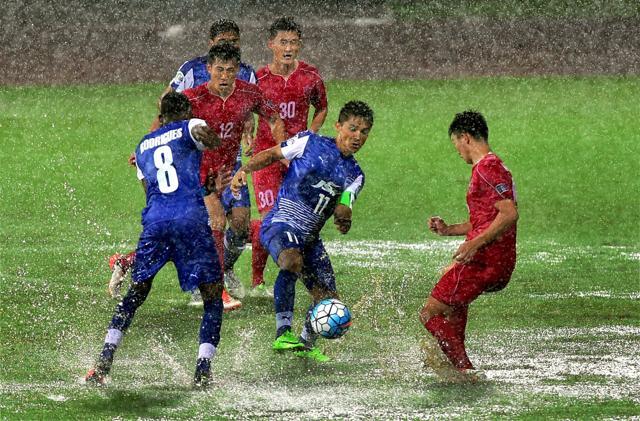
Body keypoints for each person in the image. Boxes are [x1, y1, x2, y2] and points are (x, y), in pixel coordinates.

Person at [108, 19, 256, 310]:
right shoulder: (192, 70)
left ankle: (219, 268)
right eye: (222, 40)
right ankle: (213, 286)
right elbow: (167, 105)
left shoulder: (246, 74)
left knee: (239, 224)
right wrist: (150, 143)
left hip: (231, 161)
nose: (228, 45)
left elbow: (250, 107)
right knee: (209, 223)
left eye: (234, 40)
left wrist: (250, 127)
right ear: (211, 45)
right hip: (197, 160)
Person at [85, 92, 224, 387]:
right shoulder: (189, 125)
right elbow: (205, 134)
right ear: (185, 112)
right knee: (212, 295)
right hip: (191, 221)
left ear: (160, 117)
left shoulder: (142, 146)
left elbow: (153, 192)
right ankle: (202, 370)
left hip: (157, 220)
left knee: (136, 294)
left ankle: (103, 363)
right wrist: (214, 144)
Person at [231, 101, 374, 362]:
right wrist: (244, 170)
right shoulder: (309, 142)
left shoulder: (355, 174)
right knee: (291, 261)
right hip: (281, 222)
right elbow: (273, 154)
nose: (358, 137)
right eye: (353, 129)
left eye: (364, 132)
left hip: (310, 238)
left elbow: (346, 203)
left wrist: (344, 217)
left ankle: (306, 343)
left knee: (330, 301)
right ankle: (283, 333)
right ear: (338, 126)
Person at [418, 110, 518, 382]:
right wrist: (450, 230)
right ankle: (455, 363)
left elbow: (509, 214)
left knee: (429, 312)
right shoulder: (493, 167)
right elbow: (485, 219)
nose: (457, 151)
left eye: (456, 144)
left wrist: (476, 243)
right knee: (453, 306)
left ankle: (464, 369)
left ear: (465, 138)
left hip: (487, 259)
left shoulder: (488, 168)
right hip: (498, 260)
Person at [247, 16, 328, 298]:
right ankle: (257, 282)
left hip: (298, 160)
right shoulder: (258, 79)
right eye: (283, 42)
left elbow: (321, 108)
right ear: (271, 44)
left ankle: (294, 273)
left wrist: (309, 137)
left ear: (300, 45)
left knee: (299, 219)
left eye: (293, 42)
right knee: (270, 218)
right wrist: (248, 133)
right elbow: (247, 108)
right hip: (267, 158)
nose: (289, 47)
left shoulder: (310, 76)